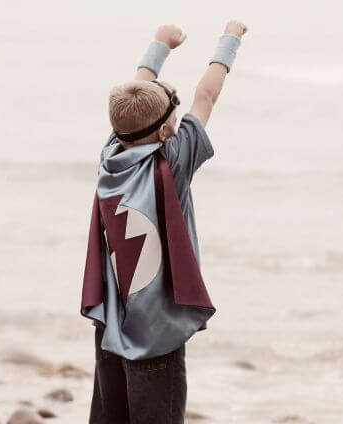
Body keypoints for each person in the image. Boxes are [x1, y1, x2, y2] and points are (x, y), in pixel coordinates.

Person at [79, 20, 248, 424]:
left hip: (112, 326)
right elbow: (206, 95)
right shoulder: (171, 162)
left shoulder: (110, 156)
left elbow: (137, 90)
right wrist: (231, 39)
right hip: (156, 333)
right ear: (170, 127)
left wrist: (160, 45)